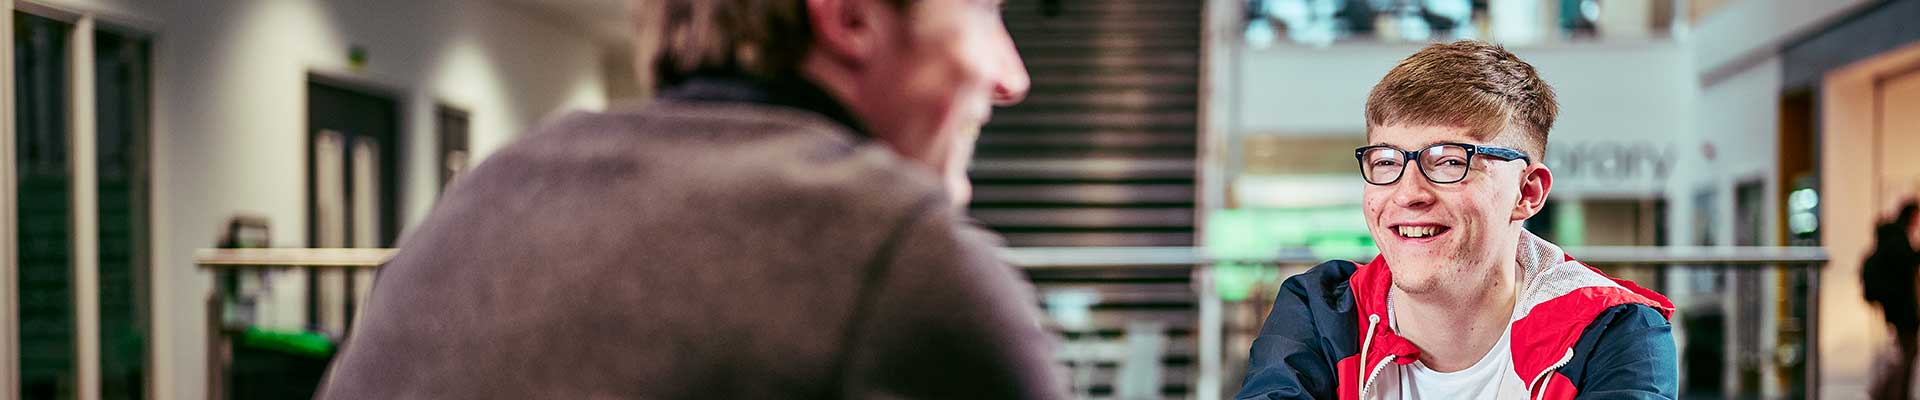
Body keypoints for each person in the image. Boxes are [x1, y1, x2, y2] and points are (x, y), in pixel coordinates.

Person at [317, 0, 1065, 398]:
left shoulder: (478, 203)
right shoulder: (897, 251)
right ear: (851, 16)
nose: (1012, 75)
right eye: (983, 10)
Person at [1235, 41, 1678, 400]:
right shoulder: (1323, 310)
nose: (1407, 193)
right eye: (1387, 162)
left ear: (1527, 192)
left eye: (1449, 162)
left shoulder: (1611, 330)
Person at [1864, 200, 1920, 400]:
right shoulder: (1899, 242)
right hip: (1901, 311)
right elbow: (1905, 267)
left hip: (1895, 310)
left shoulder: (1891, 239)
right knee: (1903, 357)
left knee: (1901, 356)